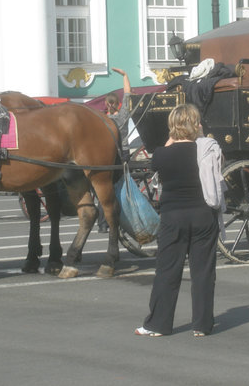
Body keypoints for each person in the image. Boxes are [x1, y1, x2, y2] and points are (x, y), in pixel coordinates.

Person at [135, 104, 219, 337]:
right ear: (196, 125)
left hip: (173, 217)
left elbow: (159, 161)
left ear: (172, 127)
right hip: (202, 214)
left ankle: (158, 324)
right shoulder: (204, 150)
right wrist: (198, 135)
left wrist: (172, 138)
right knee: (203, 273)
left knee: (167, 271)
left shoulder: (162, 154)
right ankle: (202, 324)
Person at [100, 67, 132, 233]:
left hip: (105, 156)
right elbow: (128, 94)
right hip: (123, 153)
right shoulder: (123, 116)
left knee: (103, 187)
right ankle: (121, 218)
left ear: (106, 104)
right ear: (117, 103)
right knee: (120, 188)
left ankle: (103, 223)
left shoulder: (102, 119)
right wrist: (125, 75)